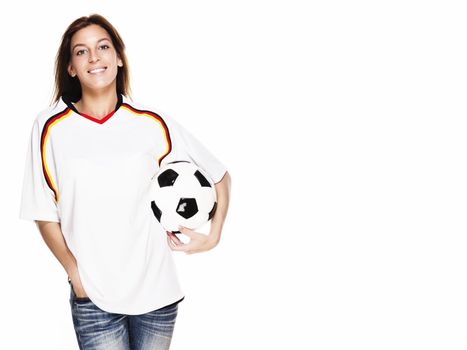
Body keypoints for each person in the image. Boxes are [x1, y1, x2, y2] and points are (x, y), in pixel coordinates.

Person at [19, 13, 231, 350]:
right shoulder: (50, 128)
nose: (94, 57)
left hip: (157, 294)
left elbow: (219, 175)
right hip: (94, 297)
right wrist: (75, 273)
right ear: (71, 67)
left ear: (119, 57)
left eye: (103, 47)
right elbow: (44, 211)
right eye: (81, 51)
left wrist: (213, 236)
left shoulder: (151, 122)